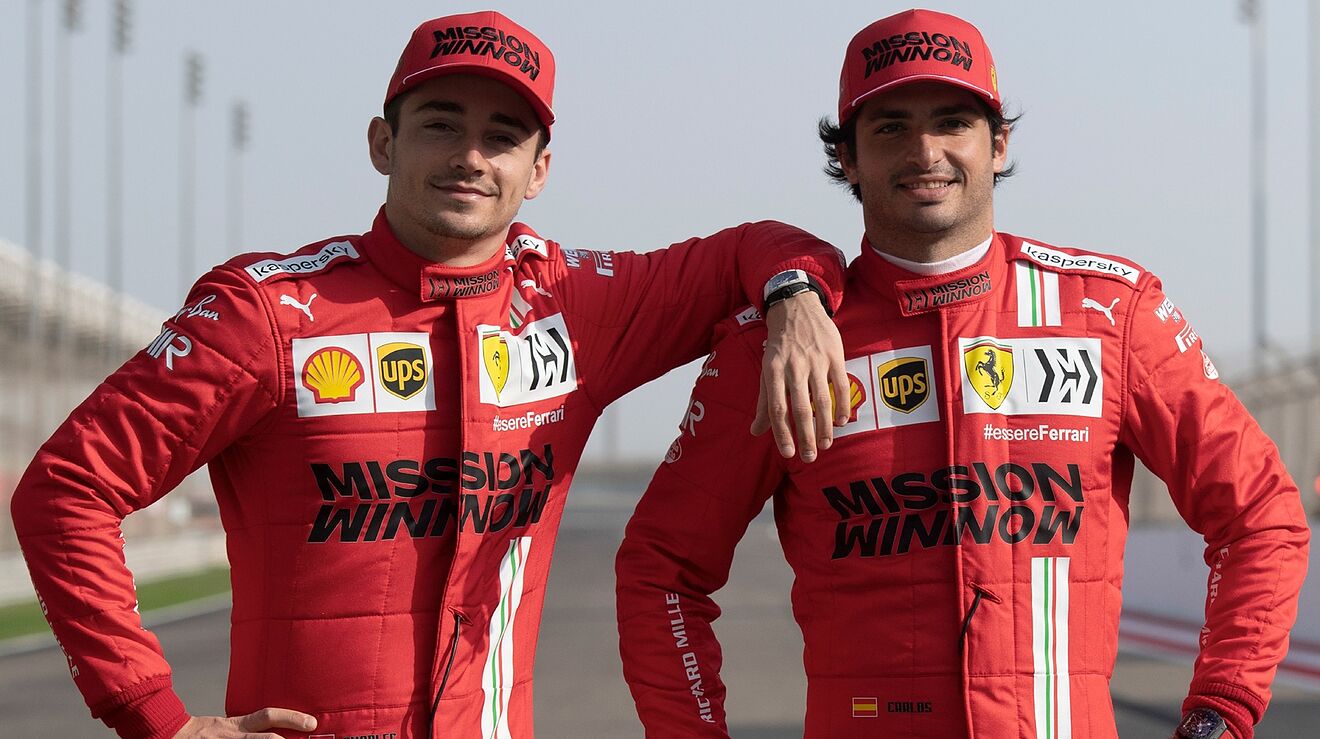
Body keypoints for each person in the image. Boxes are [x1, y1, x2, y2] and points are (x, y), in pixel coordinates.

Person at [10, 10, 853, 739]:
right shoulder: (268, 311)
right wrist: (153, 715)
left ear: (539, 170)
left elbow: (763, 244)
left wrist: (796, 297)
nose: (471, 157)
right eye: (441, 124)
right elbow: (63, 489)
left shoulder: (576, 304)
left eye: (503, 136)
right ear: (384, 143)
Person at [615, 9, 1310, 739]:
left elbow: (1261, 513)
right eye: (890, 128)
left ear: (998, 143)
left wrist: (1220, 715)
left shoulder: (1109, 312)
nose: (925, 151)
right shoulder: (781, 346)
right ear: (848, 158)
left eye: (952, 122)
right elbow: (661, 570)